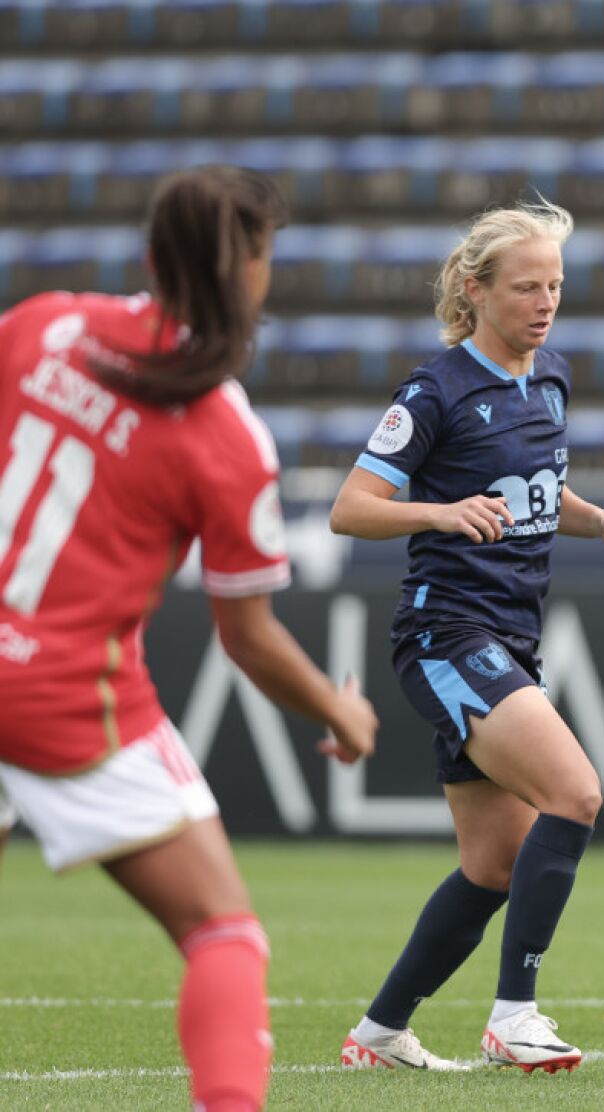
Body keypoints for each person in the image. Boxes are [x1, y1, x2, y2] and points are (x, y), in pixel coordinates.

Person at [0, 164, 379, 1112]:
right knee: (223, 933)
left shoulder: (42, 323)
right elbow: (247, 640)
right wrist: (340, 709)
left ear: (151, 255)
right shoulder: (225, 435)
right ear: (249, 272)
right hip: (57, 698)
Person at [331, 199, 604, 1074]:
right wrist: (441, 511)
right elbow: (351, 508)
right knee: (577, 795)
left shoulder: (551, 377)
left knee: (493, 864)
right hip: (445, 634)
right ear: (475, 290)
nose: (544, 302)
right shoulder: (435, 389)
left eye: (555, 286)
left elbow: (540, 498)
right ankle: (515, 1016)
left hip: (509, 638)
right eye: (527, 286)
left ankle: (379, 1033)